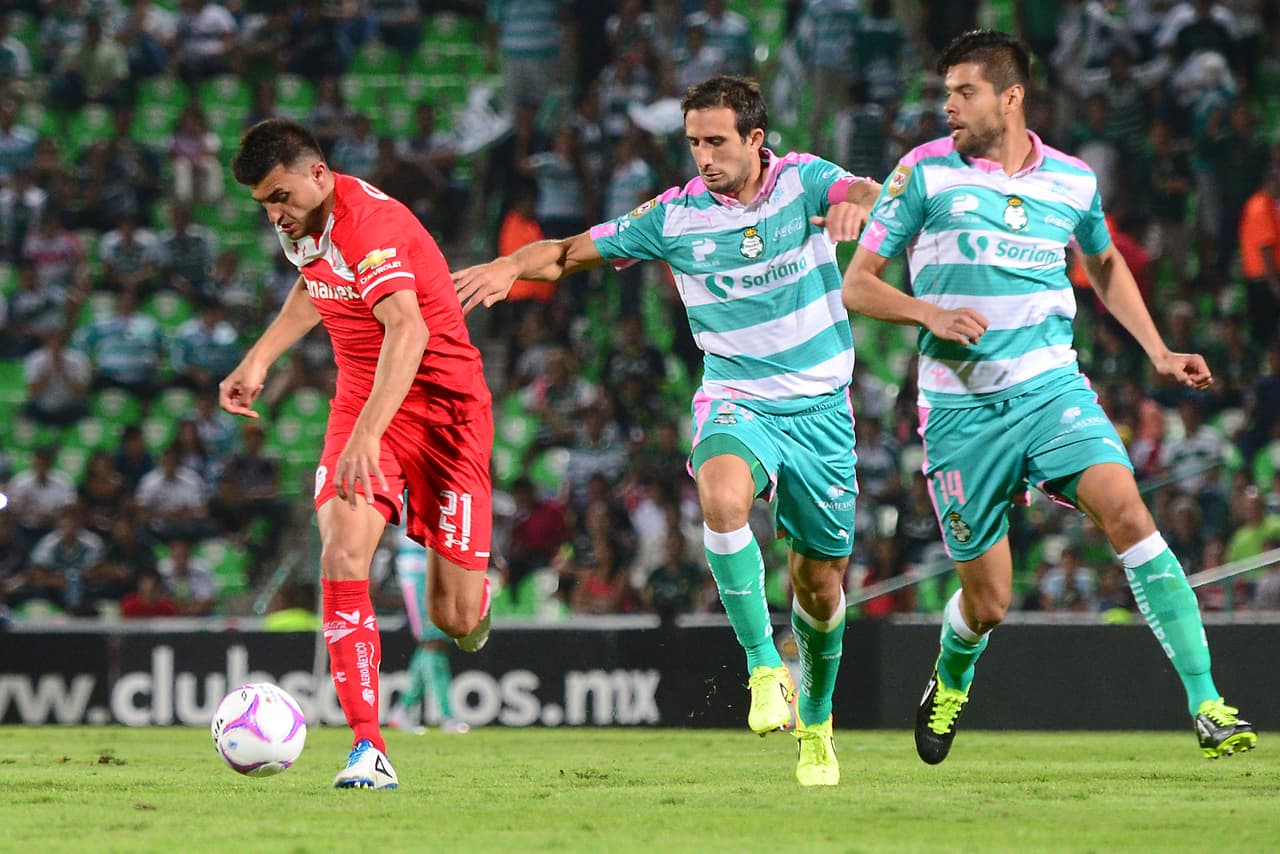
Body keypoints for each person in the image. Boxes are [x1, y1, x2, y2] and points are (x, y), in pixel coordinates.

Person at [843, 29, 1256, 765]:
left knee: (1129, 512)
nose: (948, 107)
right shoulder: (923, 173)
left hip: (1050, 390)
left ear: (1011, 97)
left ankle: (1207, 704)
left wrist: (1158, 350)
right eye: (946, 93)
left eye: (964, 92)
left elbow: (1104, 262)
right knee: (989, 601)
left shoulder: (1072, 180)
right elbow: (858, 285)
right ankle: (951, 674)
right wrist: (929, 313)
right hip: (962, 414)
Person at [454, 75, 880, 786]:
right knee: (721, 497)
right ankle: (762, 667)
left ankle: (817, 719)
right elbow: (566, 252)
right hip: (738, 399)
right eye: (693, 143)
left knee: (819, 589)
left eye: (717, 141)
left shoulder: (803, 180)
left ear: (755, 139)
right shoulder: (675, 216)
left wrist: (857, 205)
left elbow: (863, 190)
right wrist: (510, 265)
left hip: (821, 412)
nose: (704, 156)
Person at [221, 119, 494, 790]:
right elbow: (314, 284)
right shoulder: (300, 223)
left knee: (455, 619)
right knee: (342, 556)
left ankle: (476, 598)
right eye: (264, 204)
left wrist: (370, 434)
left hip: (446, 417)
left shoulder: (371, 227)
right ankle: (368, 747)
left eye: (280, 196)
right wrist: (259, 358)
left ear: (319, 175)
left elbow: (408, 328)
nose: (274, 214)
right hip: (363, 403)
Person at [387, 529, 471, 736]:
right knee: (433, 640)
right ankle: (447, 716)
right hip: (417, 569)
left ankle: (403, 709)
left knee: (436, 641)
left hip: (435, 565)